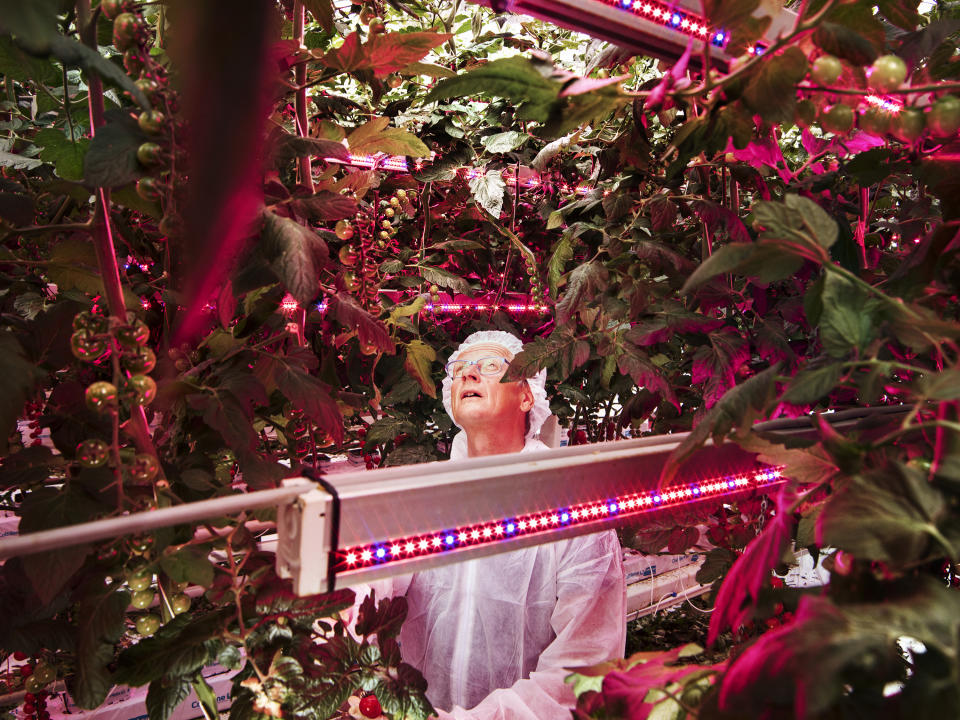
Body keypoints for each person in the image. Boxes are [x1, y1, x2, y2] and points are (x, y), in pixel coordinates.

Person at [364, 330, 626, 720]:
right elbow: (370, 586)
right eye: (460, 370)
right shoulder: (420, 499)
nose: (469, 375)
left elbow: (585, 664)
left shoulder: (571, 507)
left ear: (527, 396)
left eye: (489, 366)